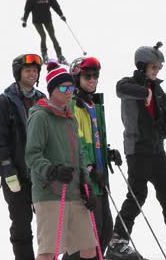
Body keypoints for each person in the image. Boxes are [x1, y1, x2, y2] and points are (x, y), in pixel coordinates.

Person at [106, 42, 166, 260]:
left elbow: (159, 121)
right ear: (141, 66)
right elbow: (120, 89)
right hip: (137, 149)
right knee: (138, 194)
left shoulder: (158, 89)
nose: (156, 71)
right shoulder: (130, 84)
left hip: (157, 149)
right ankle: (117, 239)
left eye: (158, 68)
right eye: (153, 67)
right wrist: (143, 91)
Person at [25, 62, 98, 260]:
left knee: (89, 248)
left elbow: (80, 155)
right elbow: (32, 155)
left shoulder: (70, 117)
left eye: (71, 87)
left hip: (74, 191)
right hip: (50, 192)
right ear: (52, 91)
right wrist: (52, 171)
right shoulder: (40, 117)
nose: (69, 92)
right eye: (64, 88)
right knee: (49, 252)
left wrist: (86, 186)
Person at [61, 57, 123, 260]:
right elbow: (75, 143)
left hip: (100, 178)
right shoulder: (72, 106)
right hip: (84, 181)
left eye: (96, 75)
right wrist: (88, 167)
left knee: (105, 230)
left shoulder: (93, 104)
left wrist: (107, 152)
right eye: (87, 76)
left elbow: (93, 139)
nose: (93, 80)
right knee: (87, 236)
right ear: (76, 77)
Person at [0, 54, 45, 260]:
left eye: (35, 70)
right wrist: (8, 168)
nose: (33, 73)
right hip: (16, 174)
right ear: (18, 73)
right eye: (28, 70)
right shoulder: (6, 101)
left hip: (40, 173)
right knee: (22, 224)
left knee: (48, 223)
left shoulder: (42, 99)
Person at [21, 0, 68, 64]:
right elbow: (27, 10)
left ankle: (59, 55)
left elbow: (56, 6)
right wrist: (24, 20)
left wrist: (61, 15)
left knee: (52, 35)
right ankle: (44, 54)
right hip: (37, 21)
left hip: (47, 19)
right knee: (43, 36)